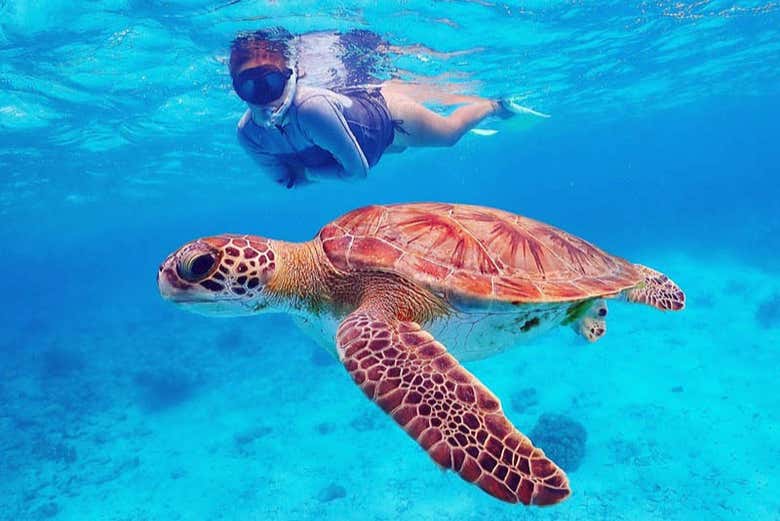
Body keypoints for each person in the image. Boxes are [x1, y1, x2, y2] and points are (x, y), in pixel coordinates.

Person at [230, 28, 543, 188]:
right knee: (399, 150)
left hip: (390, 117)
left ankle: (493, 106)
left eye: (270, 82)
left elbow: (357, 173)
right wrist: (306, 173)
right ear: (236, 88)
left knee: (448, 136)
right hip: (369, 139)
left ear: (290, 76)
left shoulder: (311, 108)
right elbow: (286, 181)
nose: (264, 97)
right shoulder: (248, 134)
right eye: (249, 86)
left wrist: (308, 172)